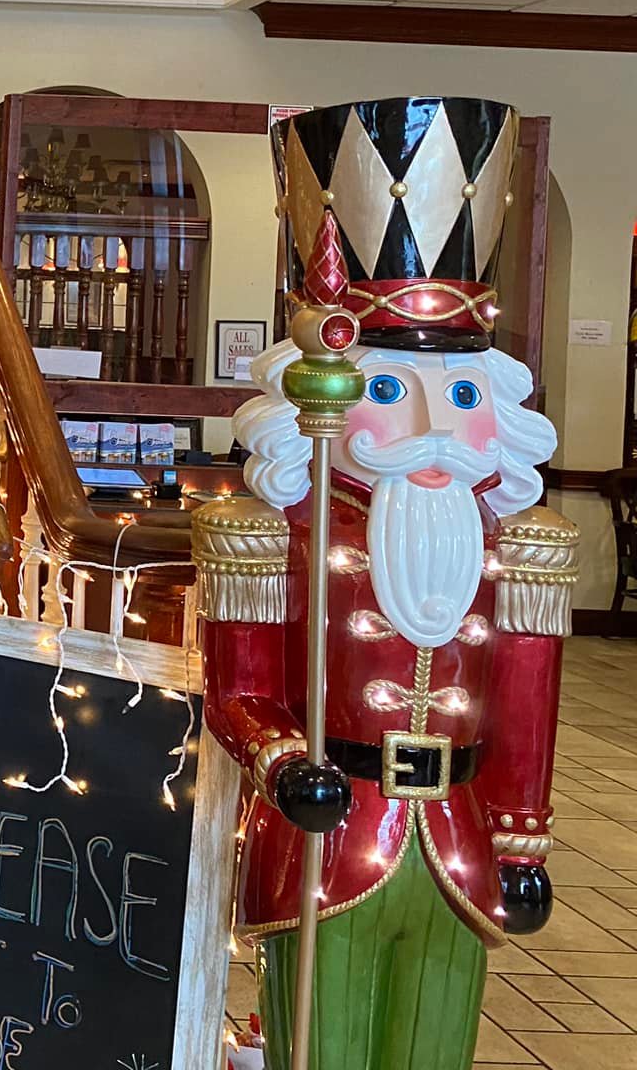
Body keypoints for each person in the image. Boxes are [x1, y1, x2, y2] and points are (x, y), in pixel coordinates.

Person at [197, 96, 568, 1070]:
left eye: (455, 396)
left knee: (433, 1042)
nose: (429, 429)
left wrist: (522, 842)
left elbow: (523, 710)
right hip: (330, 836)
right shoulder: (268, 535)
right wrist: (283, 763)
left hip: (458, 841)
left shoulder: (517, 550)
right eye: (385, 393)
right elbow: (236, 689)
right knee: (326, 1041)